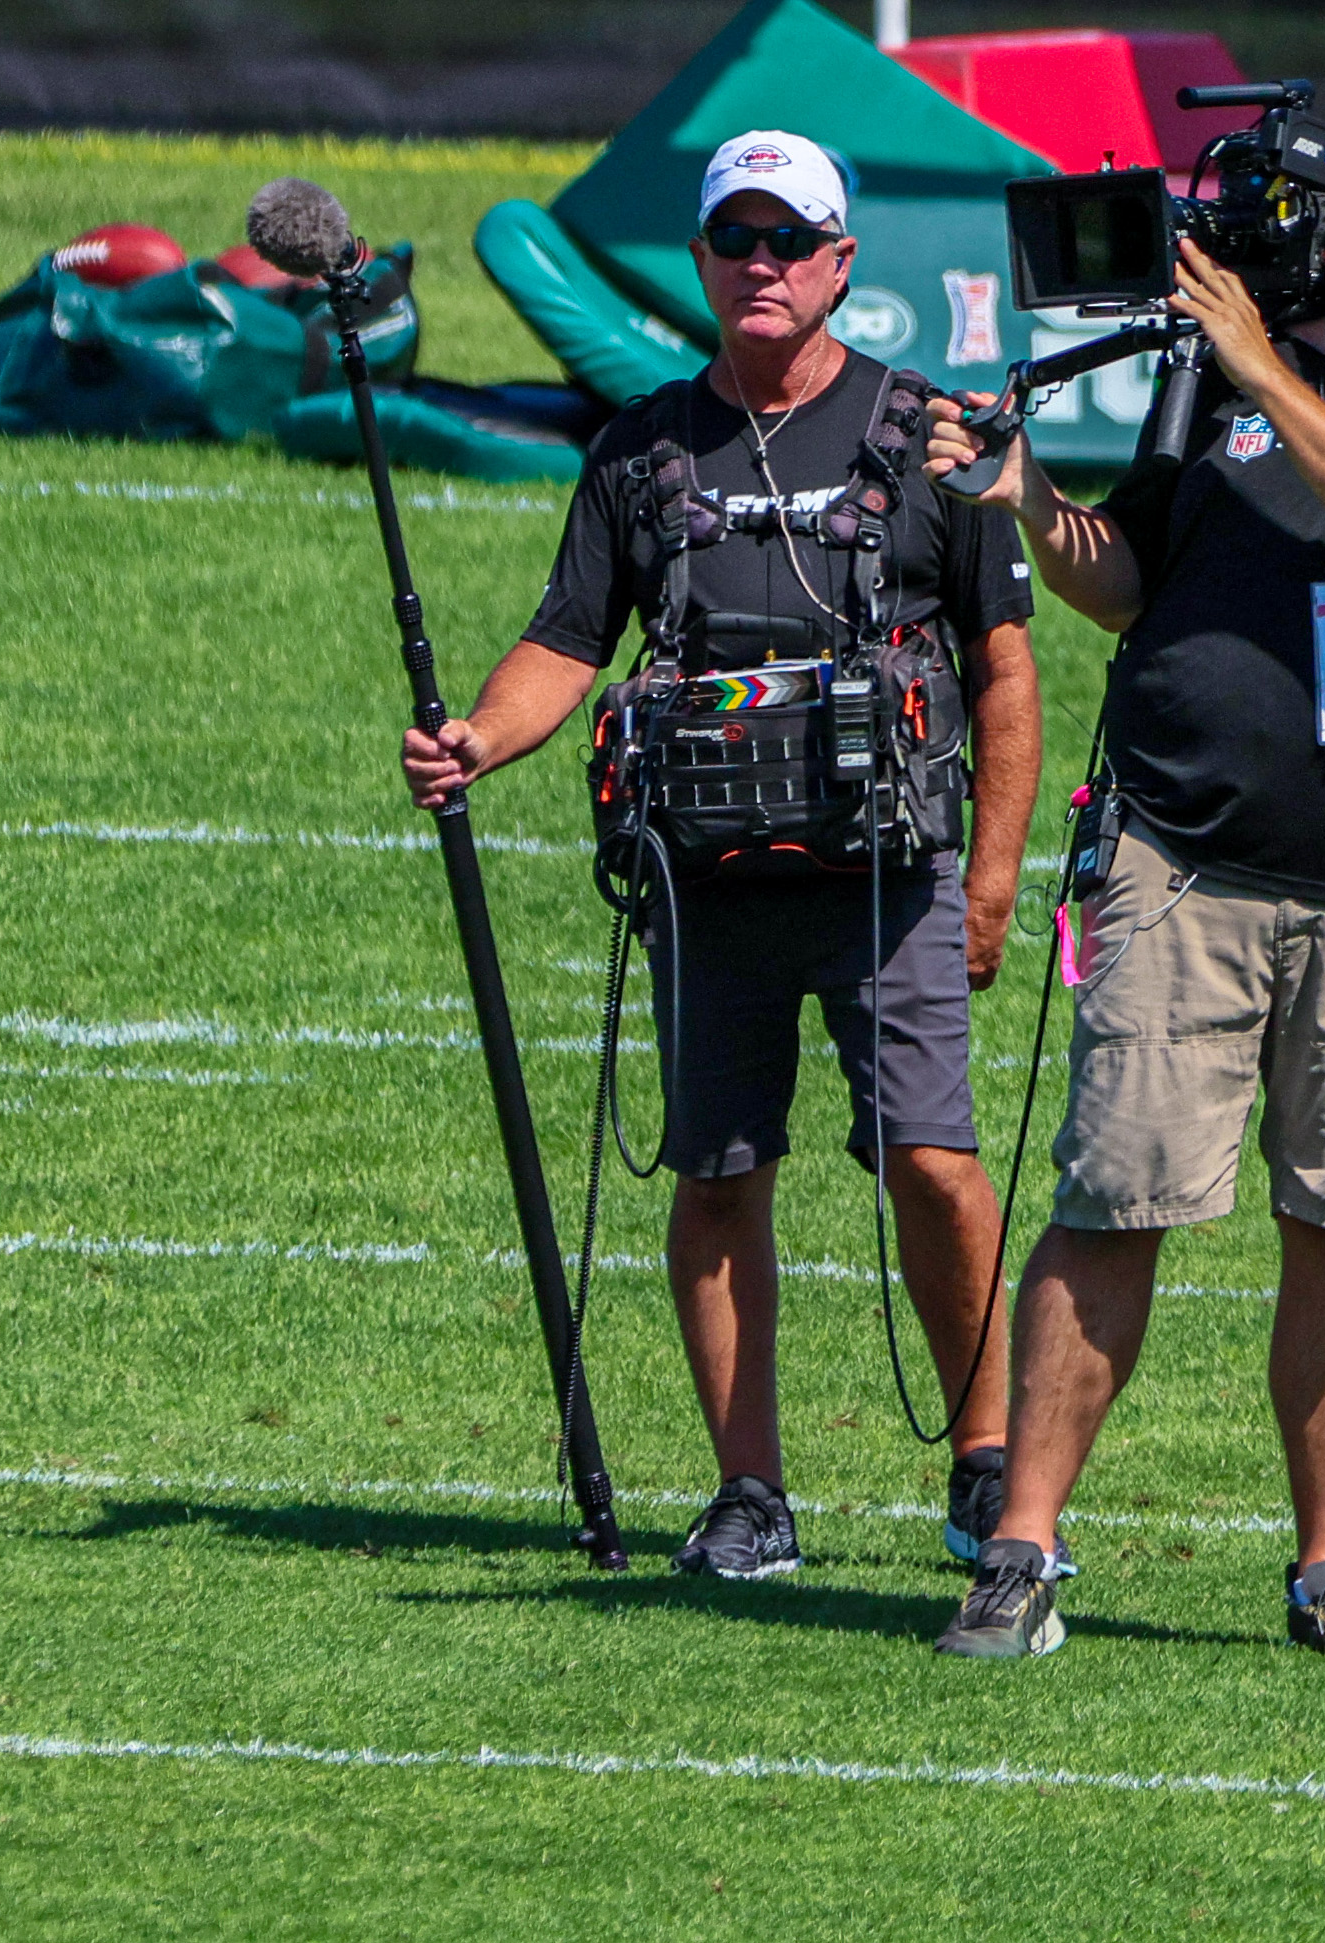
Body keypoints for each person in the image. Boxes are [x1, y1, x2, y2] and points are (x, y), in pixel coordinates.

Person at [925, 88, 1325, 1661]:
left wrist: (1259, 368)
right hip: (1176, 855)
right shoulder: (1225, 376)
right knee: (1112, 1198)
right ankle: (1019, 1552)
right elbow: (1125, 576)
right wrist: (1022, 500)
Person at [404, 130, 1042, 1581]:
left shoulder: (926, 433)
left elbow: (1006, 674)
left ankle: (984, 1458)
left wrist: (993, 879)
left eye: (786, 241)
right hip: (703, 887)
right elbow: (567, 640)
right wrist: (478, 740)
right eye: (733, 240)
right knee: (713, 1177)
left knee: (934, 1164)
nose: (759, 264)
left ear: (837, 264)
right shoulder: (637, 450)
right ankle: (747, 1492)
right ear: (699, 260)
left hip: (890, 882)